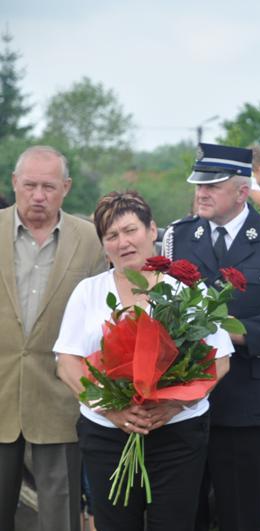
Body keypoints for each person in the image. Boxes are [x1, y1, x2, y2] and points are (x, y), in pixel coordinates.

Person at [54, 190, 233, 531]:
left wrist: (172, 406)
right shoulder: (88, 293)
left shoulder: (188, 292)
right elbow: (67, 364)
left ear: (153, 230)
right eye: (111, 235)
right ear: (103, 245)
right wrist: (113, 410)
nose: (123, 242)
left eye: (130, 230)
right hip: (107, 436)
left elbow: (219, 362)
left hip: (177, 435)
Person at [163, 142, 260, 531]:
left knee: (242, 517)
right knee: (182, 516)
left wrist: (236, 334)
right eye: (198, 185)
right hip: (181, 405)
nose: (201, 193)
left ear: (242, 192)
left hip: (245, 404)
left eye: (212, 186)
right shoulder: (178, 237)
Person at [0, 145, 106, 531]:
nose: (38, 196)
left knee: (60, 517)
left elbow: (101, 321)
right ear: (14, 183)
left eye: (48, 186)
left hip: (61, 399)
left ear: (66, 187)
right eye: (29, 185)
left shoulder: (91, 241)